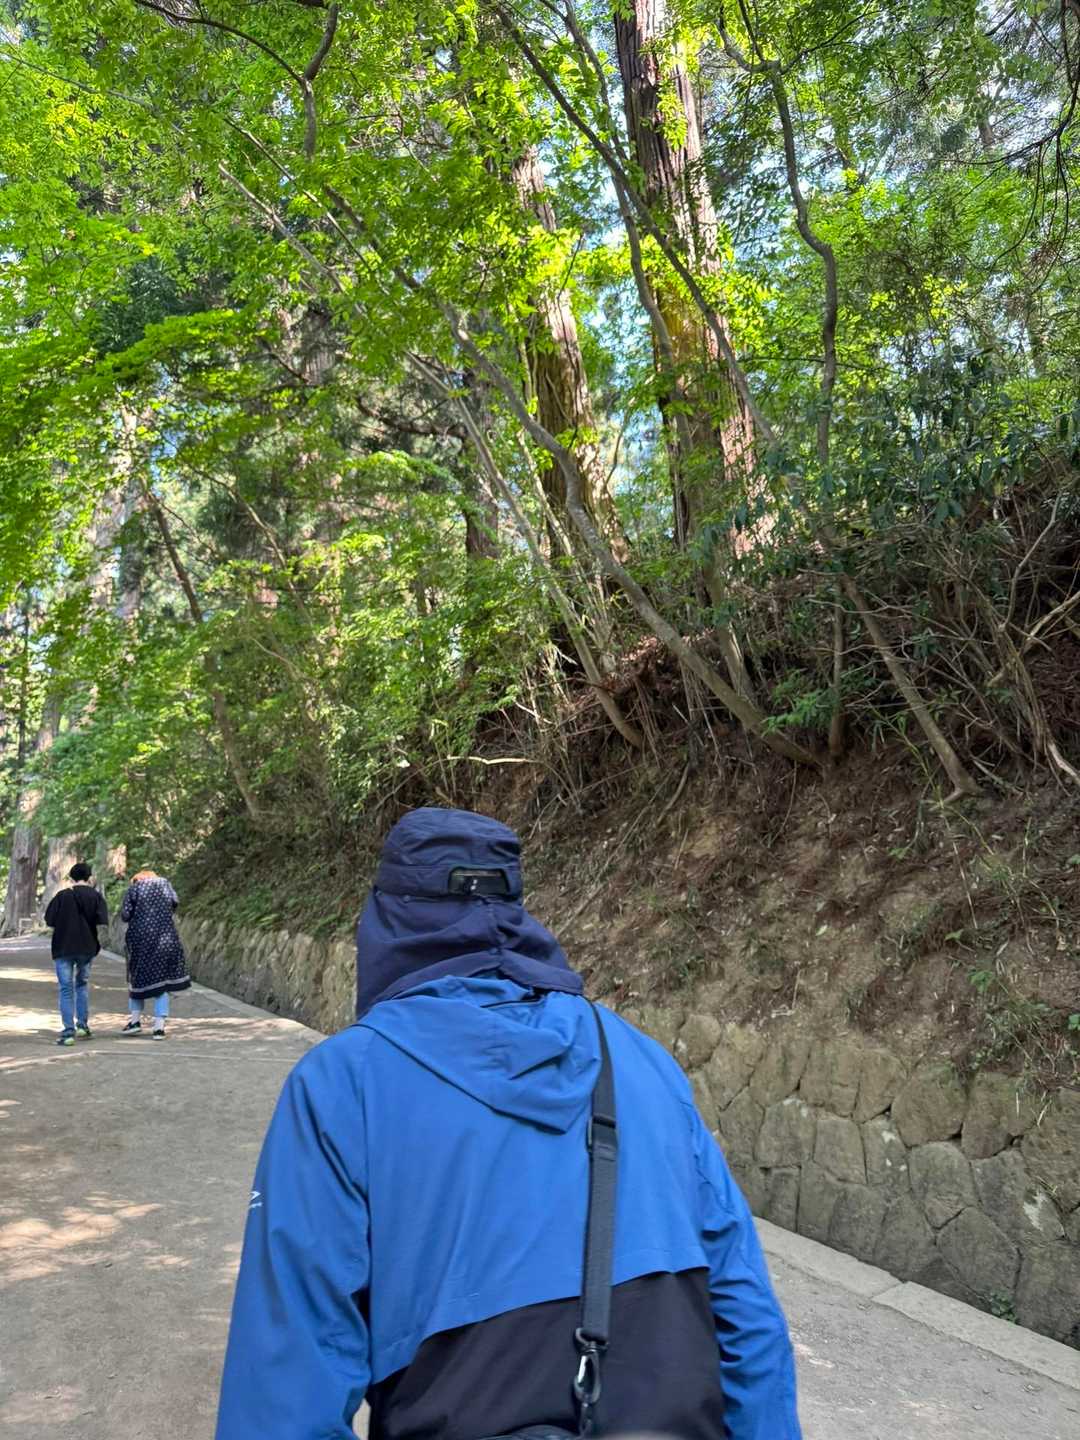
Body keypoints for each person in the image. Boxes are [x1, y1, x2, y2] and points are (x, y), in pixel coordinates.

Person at [215, 808, 801, 1440]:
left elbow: (283, 1383)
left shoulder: (342, 1084)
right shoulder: (639, 1058)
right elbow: (745, 1314)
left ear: (387, 918)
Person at [118, 868, 191, 1039]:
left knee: (137, 979)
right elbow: (174, 903)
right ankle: (159, 1028)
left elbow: (125, 915)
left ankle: (135, 1021)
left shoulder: (134, 888)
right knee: (161, 983)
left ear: (137, 879)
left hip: (141, 939)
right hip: (166, 938)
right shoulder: (165, 885)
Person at [44, 862, 109, 1047]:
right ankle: (82, 1025)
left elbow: (49, 920)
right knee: (82, 985)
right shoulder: (95, 896)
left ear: (71, 878)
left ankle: (68, 1033)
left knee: (66, 989)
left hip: (63, 947)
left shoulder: (62, 896)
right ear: (89, 878)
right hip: (86, 947)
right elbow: (102, 920)